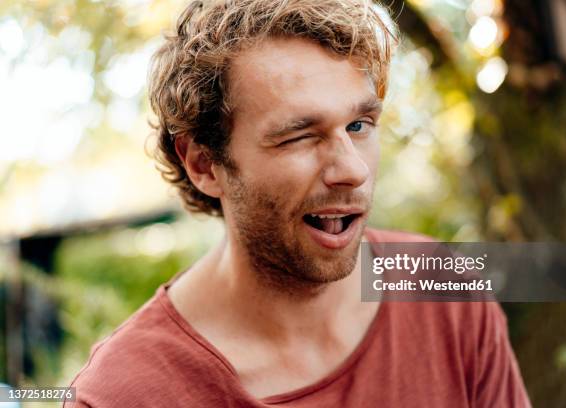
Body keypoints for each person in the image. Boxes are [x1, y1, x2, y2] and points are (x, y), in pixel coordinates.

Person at [65, 0, 531, 406]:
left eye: (359, 125)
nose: (352, 170)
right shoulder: (121, 394)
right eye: (299, 136)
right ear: (205, 165)